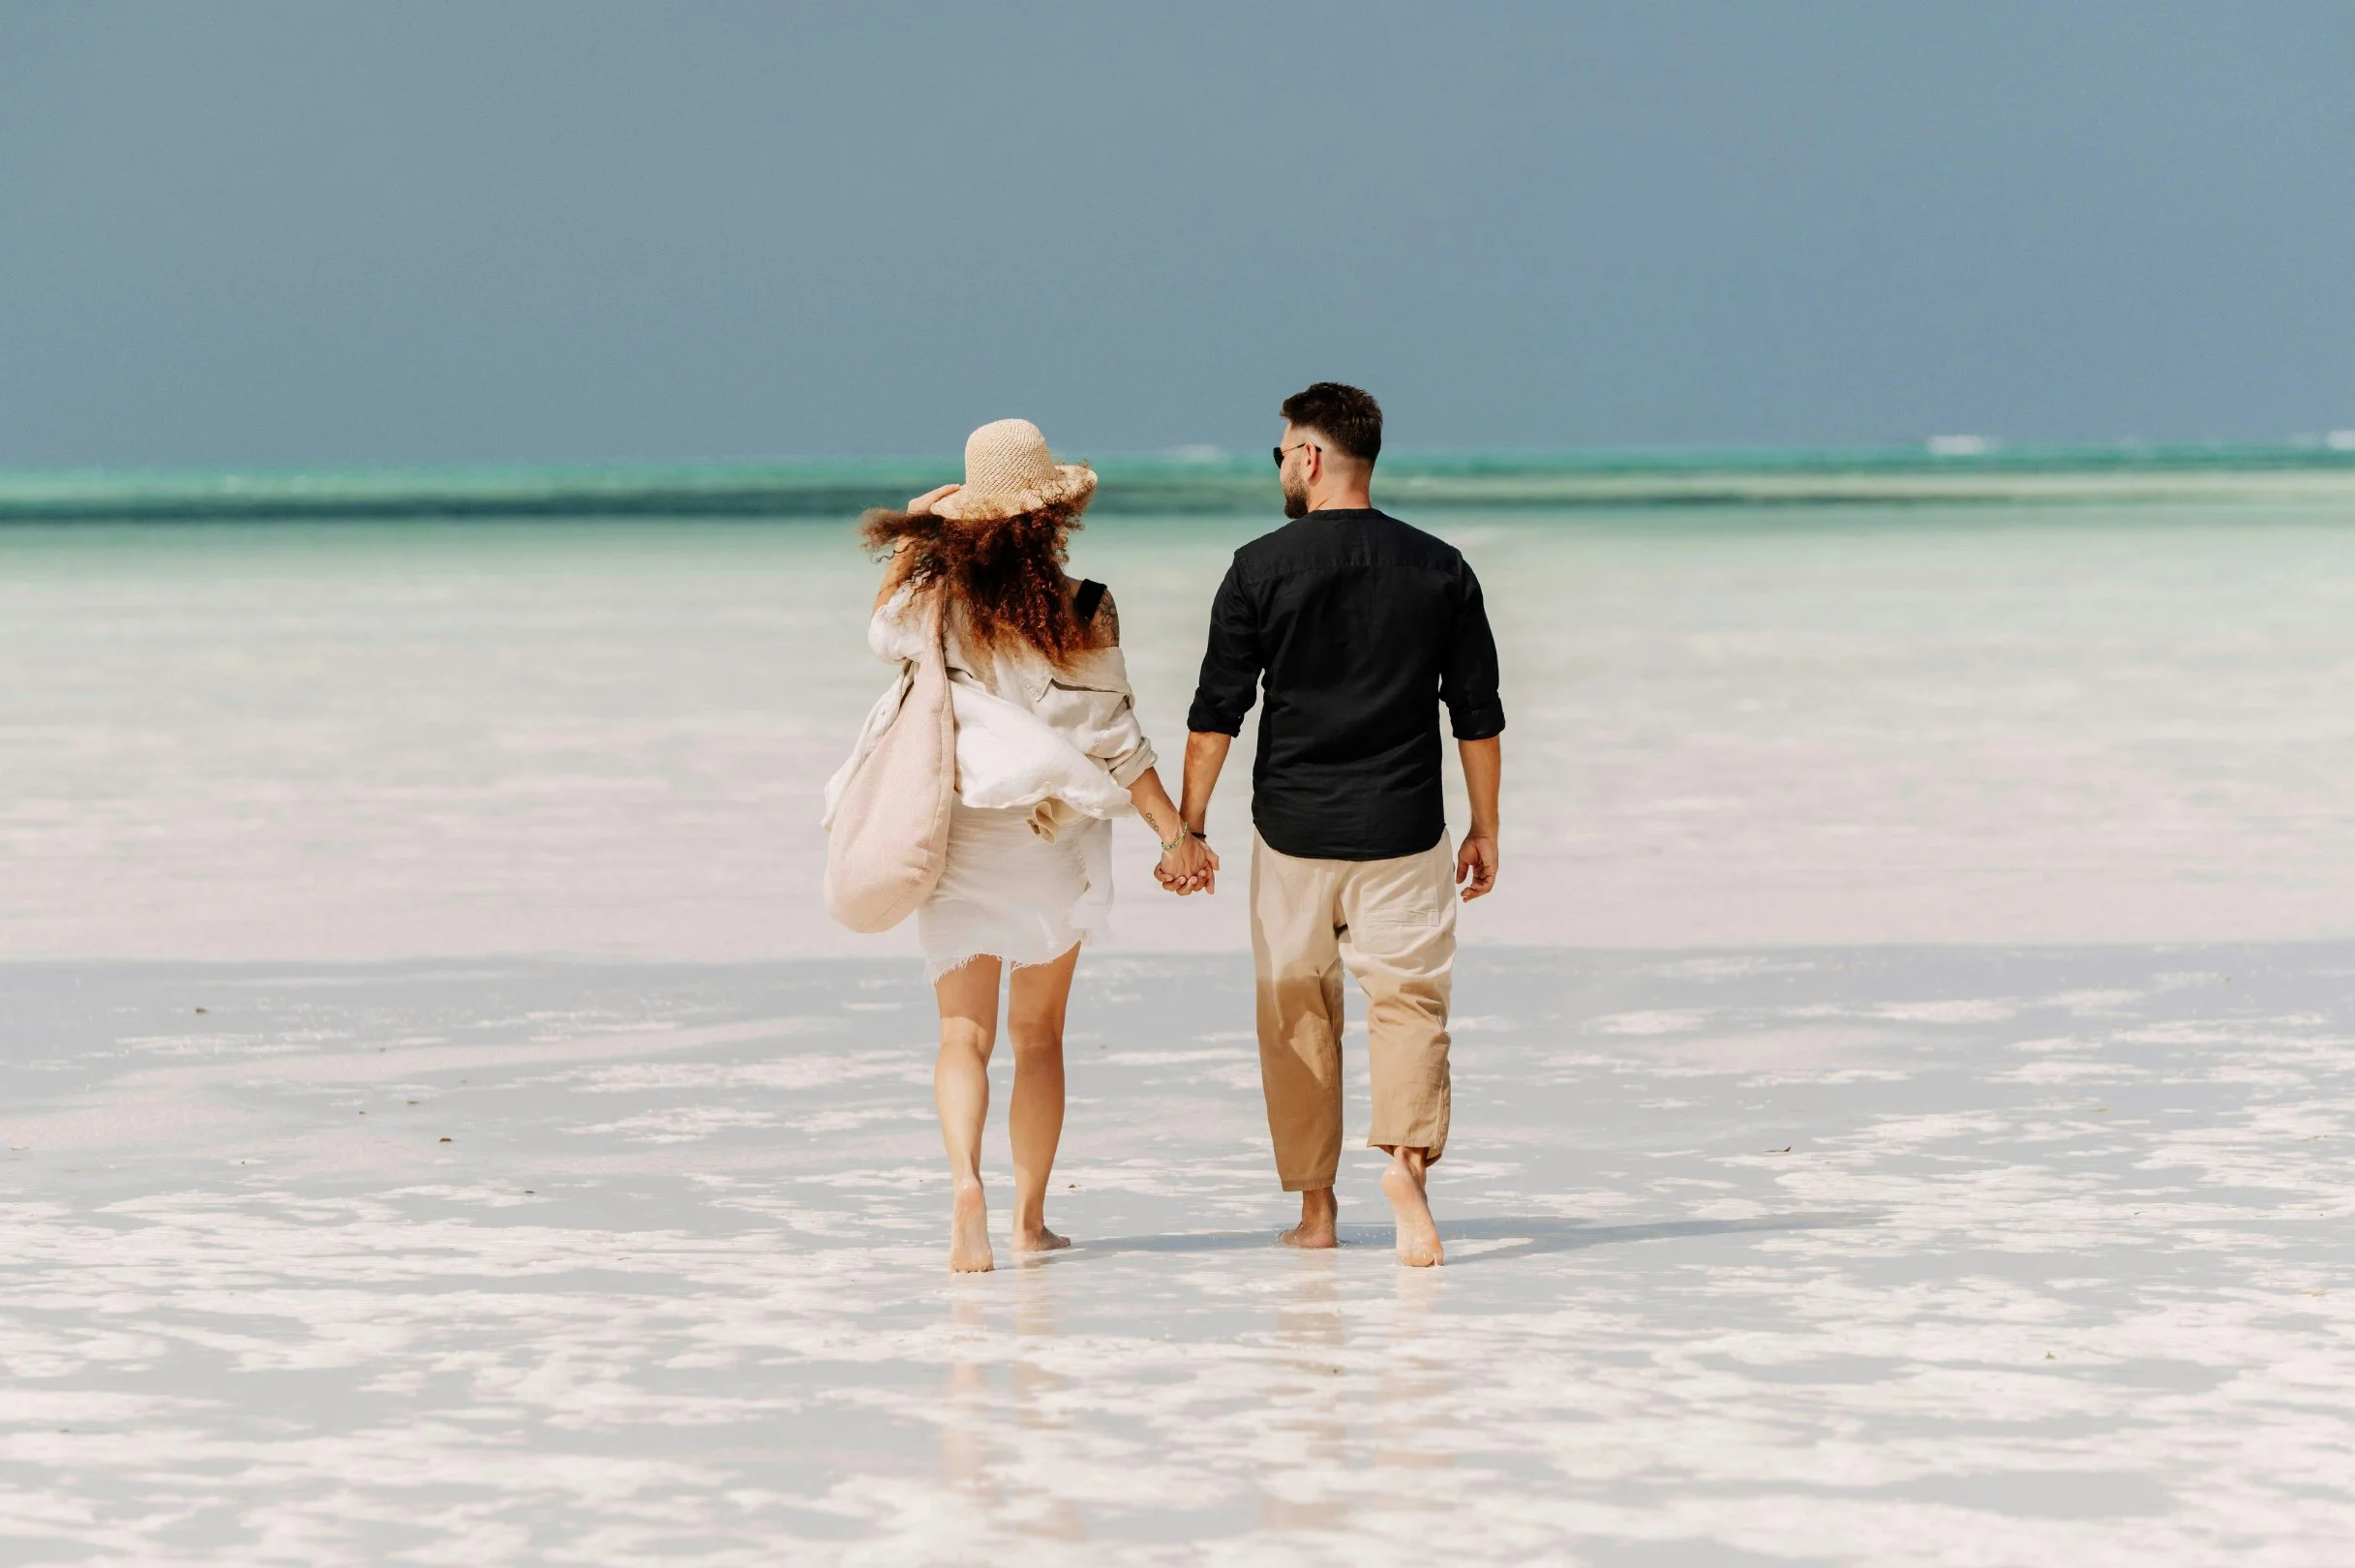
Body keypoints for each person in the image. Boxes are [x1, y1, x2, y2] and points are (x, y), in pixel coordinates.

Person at [832, 418, 1214, 1274]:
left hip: (958, 829)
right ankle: (1028, 1221)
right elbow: (1115, 739)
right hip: (1051, 835)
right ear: (1054, 518)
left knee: (961, 1036)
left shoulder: (932, 606)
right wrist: (1176, 836)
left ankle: (965, 1183)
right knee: (1038, 1036)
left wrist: (921, 526)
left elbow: (876, 629)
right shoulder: (1085, 606)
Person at [1172, 383, 1503, 1267]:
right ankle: (1404, 1171)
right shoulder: (1441, 567)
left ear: (1310, 457)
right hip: (1403, 827)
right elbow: (1476, 715)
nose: (1279, 463)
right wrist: (1485, 828)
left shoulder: (1256, 567)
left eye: (1280, 450)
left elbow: (1217, 715)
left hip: (1292, 832)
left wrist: (1187, 829)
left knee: (1295, 1013)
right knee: (1408, 1005)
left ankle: (1317, 1212)